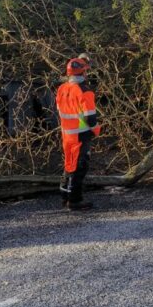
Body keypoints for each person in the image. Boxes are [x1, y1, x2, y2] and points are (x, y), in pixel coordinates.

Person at [56, 54, 101, 210]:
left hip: (67, 133)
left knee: (69, 163)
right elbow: (91, 118)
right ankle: (74, 200)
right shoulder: (85, 91)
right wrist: (96, 130)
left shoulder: (62, 89)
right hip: (81, 134)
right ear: (84, 73)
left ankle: (64, 196)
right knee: (80, 166)